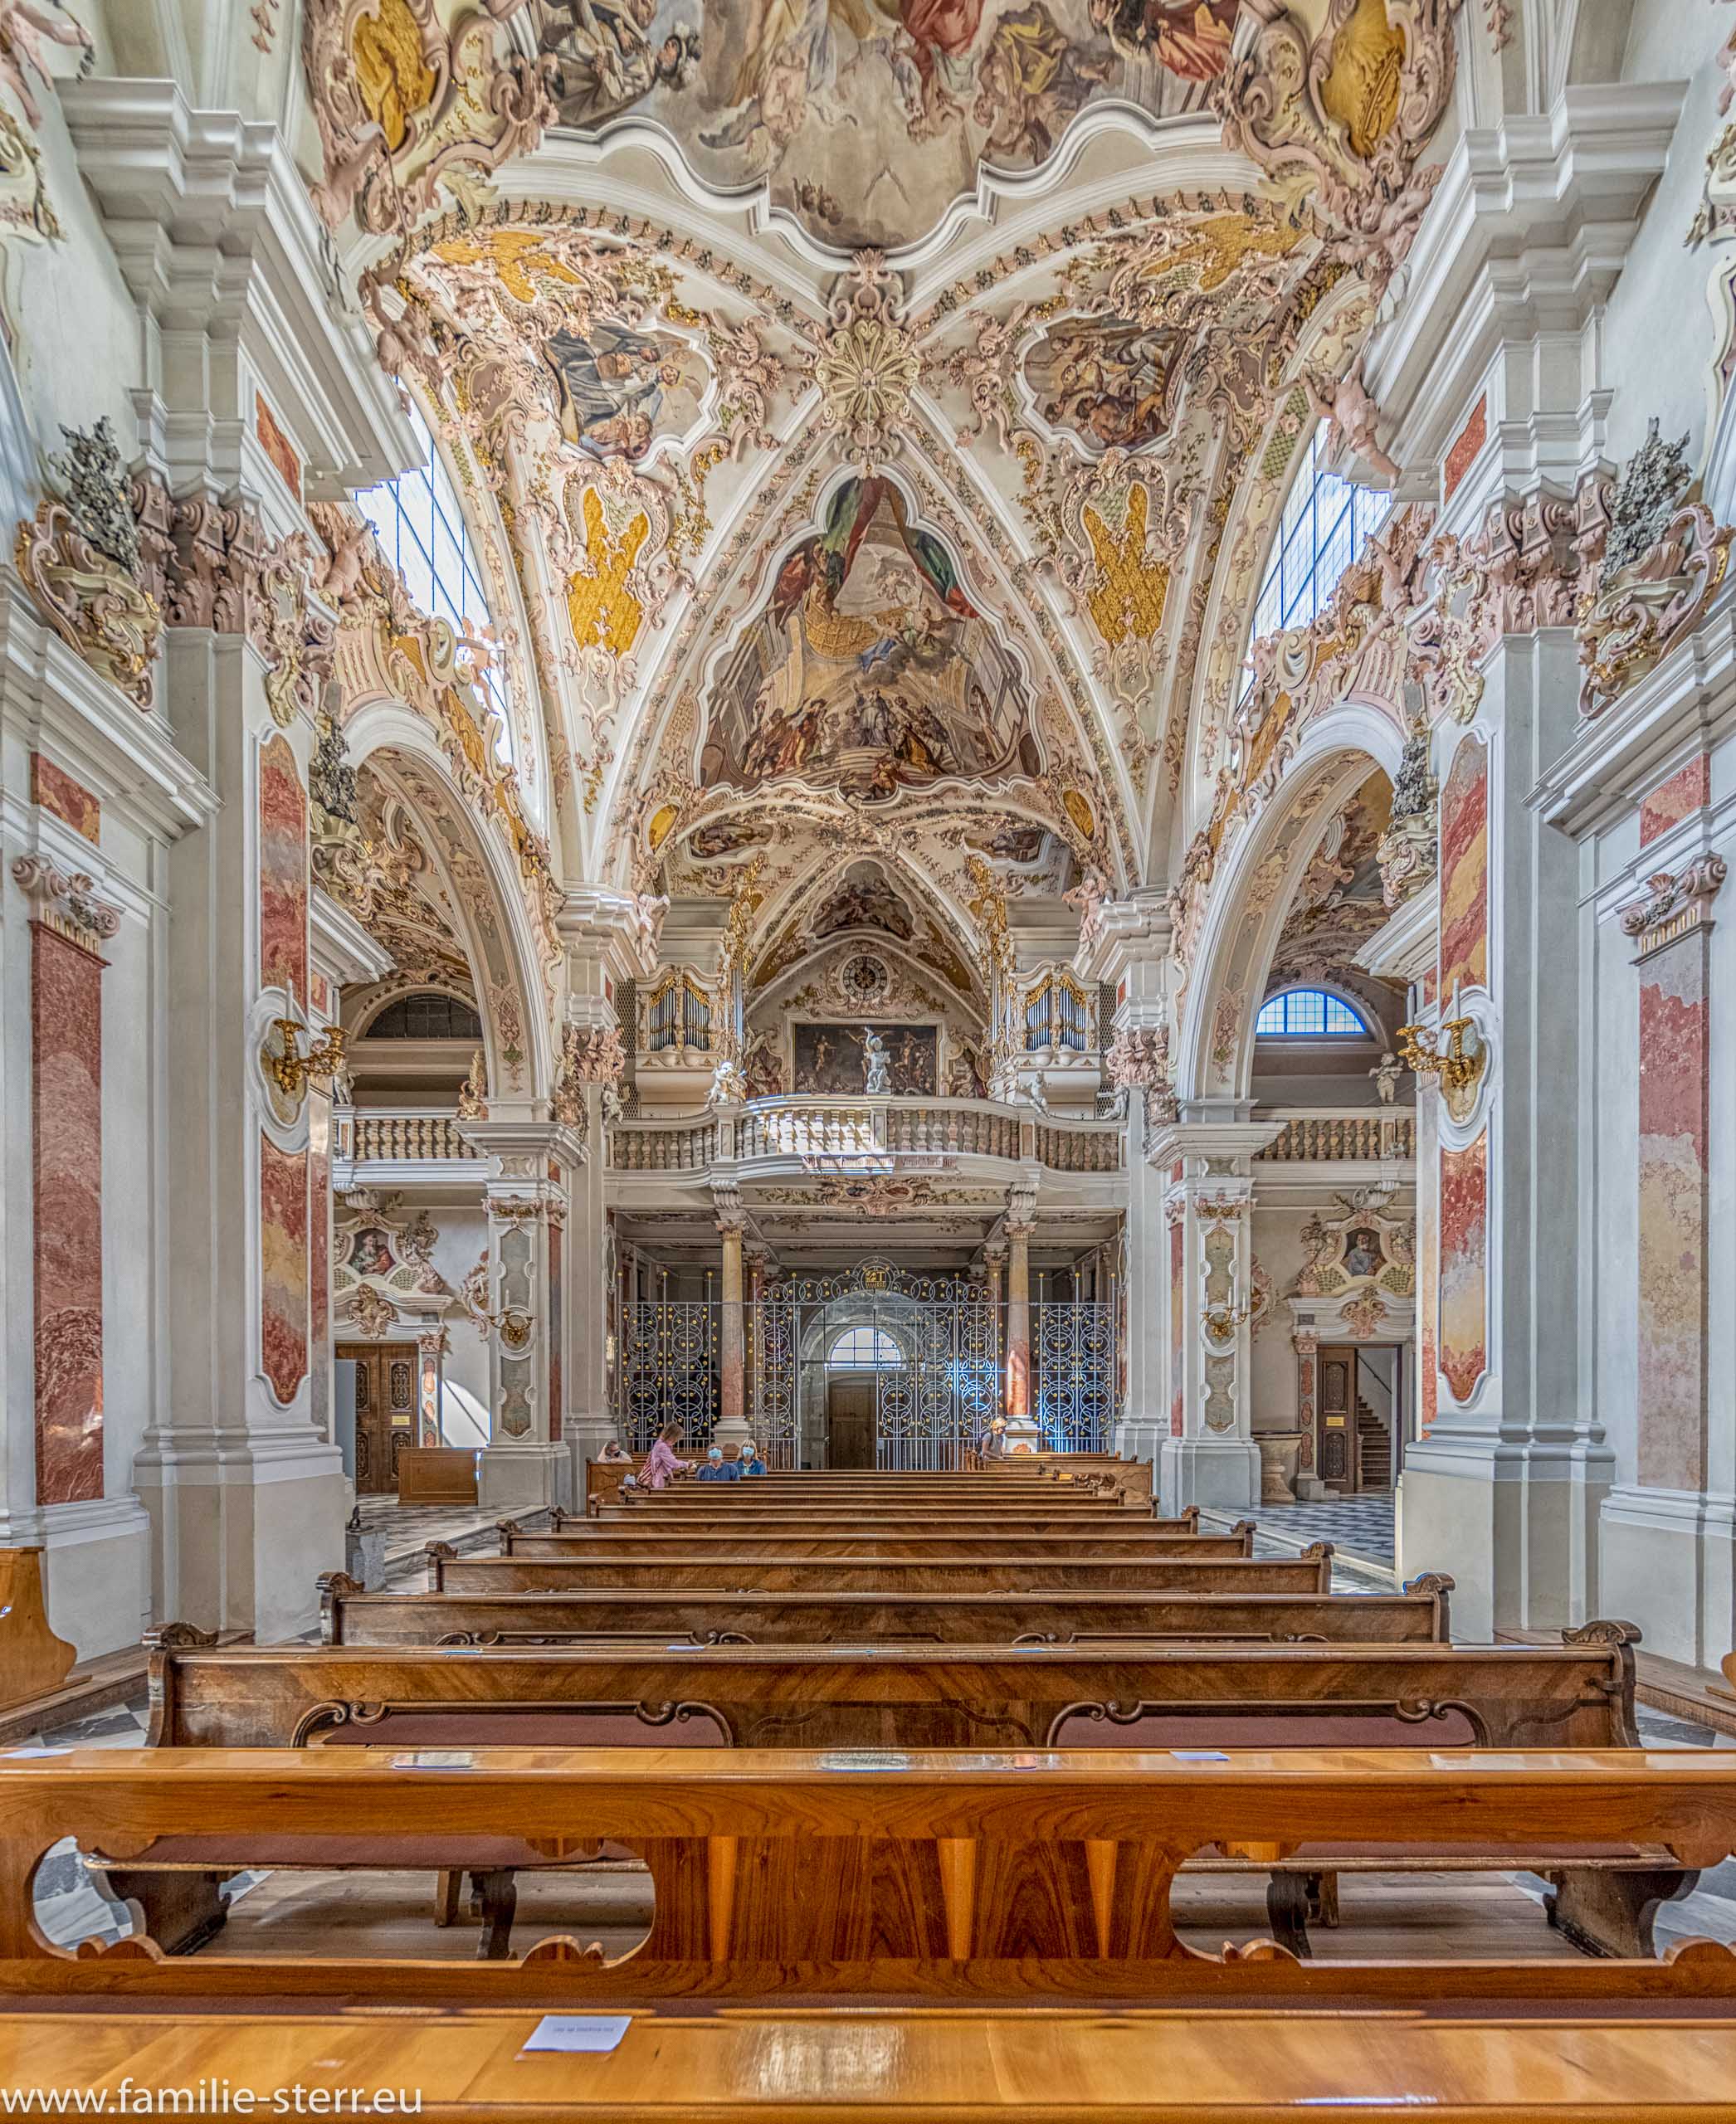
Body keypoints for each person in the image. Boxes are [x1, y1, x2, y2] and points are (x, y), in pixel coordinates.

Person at [641, 1422, 691, 1489]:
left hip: (662, 1478)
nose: (676, 1441)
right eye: (677, 1438)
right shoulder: (662, 1446)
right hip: (661, 1479)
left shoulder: (660, 1443)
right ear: (672, 1435)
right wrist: (687, 1464)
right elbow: (673, 1463)